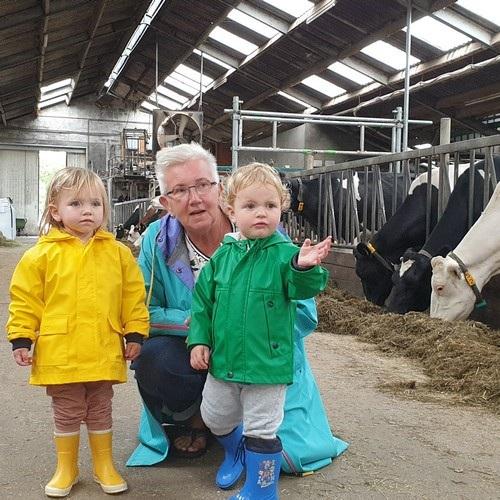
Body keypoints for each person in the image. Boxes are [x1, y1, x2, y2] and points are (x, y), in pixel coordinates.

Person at [127, 143, 348, 473]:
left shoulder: (270, 239)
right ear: (166, 203)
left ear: (220, 190)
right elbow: (142, 310)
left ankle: (245, 430)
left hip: (260, 353)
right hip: (197, 350)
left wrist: (247, 323)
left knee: (286, 457)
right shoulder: (157, 241)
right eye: (180, 190)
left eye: (203, 185)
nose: (195, 198)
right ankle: (200, 420)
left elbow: (305, 316)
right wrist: (206, 327)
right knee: (154, 359)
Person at [188, 163, 331, 498]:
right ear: (231, 211)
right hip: (224, 361)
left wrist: (304, 267)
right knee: (214, 416)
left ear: (281, 208)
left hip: (267, 364)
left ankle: (262, 490)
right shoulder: (222, 257)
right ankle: (236, 450)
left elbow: (302, 288)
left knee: (262, 429)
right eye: (250, 206)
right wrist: (199, 340)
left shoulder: (286, 256)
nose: (261, 213)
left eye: (270, 205)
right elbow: (202, 305)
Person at [6, 167, 149, 497]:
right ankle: (66, 467)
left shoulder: (118, 253)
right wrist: (21, 337)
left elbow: (132, 296)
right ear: (55, 211)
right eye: (76, 204)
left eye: (96, 204)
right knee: (67, 409)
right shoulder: (40, 256)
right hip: (61, 351)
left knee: (100, 407)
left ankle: (104, 465)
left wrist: (135, 333)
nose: (88, 211)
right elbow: (25, 300)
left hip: (103, 347)